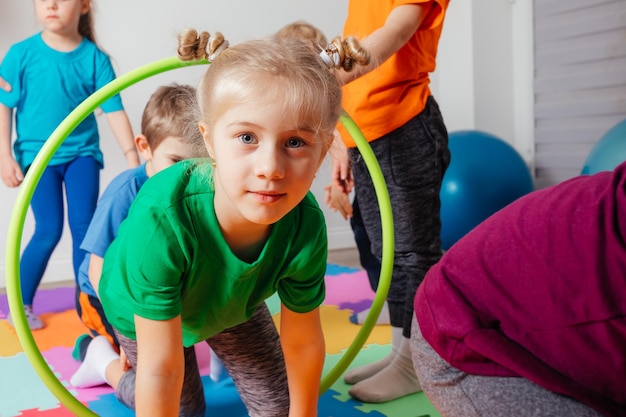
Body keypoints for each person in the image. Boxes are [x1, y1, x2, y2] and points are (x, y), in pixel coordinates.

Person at [70, 30, 370, 417]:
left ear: (324, 146)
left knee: (281, 407)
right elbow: (161, 371)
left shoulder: (305, 224)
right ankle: (106, 366)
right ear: (209, 142)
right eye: (247, 137)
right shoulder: (164, 219)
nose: (270, 169)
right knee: (183, 408)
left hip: (230, 302)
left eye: (295, 142)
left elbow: (303, 342)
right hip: (142, 311)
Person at [411, 162, 626, 417]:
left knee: (408, 250)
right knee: (402, 249)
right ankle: (400, 354)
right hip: (459, 339)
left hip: (489, 315)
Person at [326, 0, 451, 403]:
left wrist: (320, 73)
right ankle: (402, 349)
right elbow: (352, 42)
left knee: (414, 254)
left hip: (403, 130)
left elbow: (387, 38)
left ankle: (418, 360)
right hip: (366, 138)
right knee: (387, 252)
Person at [0, 0, 139, 330]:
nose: (50, 4)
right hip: (38, 158)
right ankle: (20, 304)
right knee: (48, 230)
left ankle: (87, 307)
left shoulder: (94, 59)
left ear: (84, 6)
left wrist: (134, 158)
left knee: (85, 234)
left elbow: (115, 109)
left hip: (82, 156)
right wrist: (5, 155)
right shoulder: (20, 55)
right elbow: (4, 106)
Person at [69, 83, 208, 383]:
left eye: (197, 164)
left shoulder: (194, 189)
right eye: (175, 161)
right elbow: (97, 269)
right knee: (136, 364)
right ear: (145, 147)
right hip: (102, 294)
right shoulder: (124, 193)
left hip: (149, 289)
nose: (186, 175)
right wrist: (122, 326)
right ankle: (93, 351)